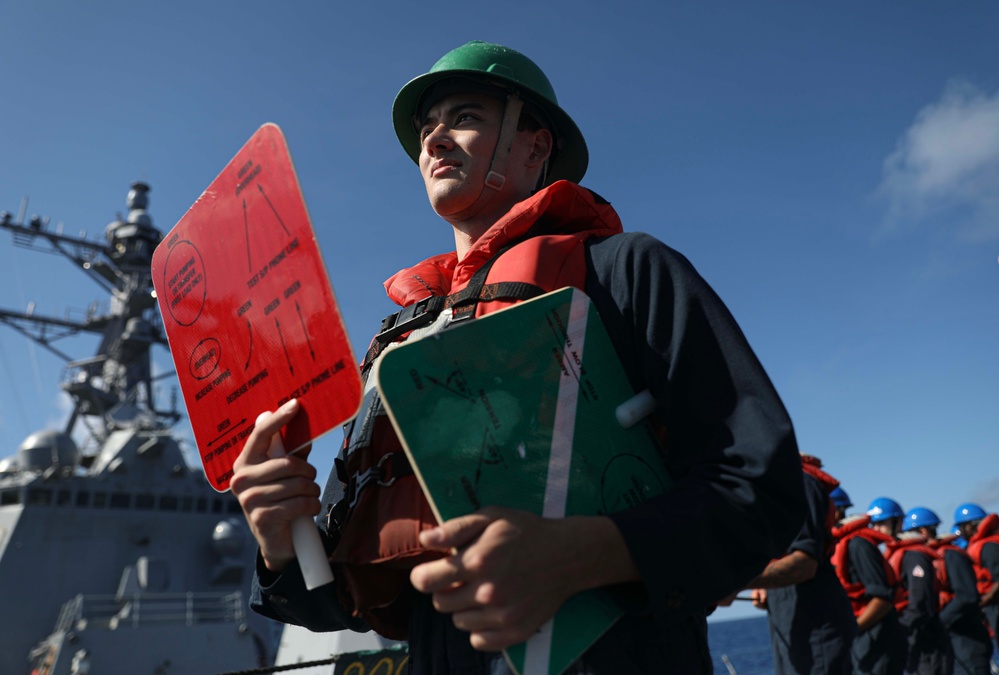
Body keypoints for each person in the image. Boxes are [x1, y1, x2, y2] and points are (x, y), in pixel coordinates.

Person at [230, 40, 806, 673]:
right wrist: (282, 543)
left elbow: (762, 490)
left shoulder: (625, 273)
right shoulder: (399, 345)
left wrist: (583, 553)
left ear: (538, 146)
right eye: (426, 129)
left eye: (465, 117)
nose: (435, 141)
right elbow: (343, 603)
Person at [731, 455, 855, 674]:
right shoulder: (773, 491)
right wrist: (764, 584)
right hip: (789, 618)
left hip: (815, 620)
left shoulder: (799, 483)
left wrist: (735, 580)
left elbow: (804, 563)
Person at [909, 506, 993, 674]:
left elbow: (967, 595)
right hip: (944, 642)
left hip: (966, 639)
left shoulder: (950, 555)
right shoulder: (926, 559)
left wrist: (939, 623)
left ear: (923, 530)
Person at [830, 496, 907, 674]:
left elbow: (882, 598)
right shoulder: (840, 546)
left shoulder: (858, 545)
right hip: (864, 641)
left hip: (877, 641)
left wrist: (852, 629)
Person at [889, 508, 953, 674]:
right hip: (922, 636)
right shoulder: (915, 554)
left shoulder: (914, 556)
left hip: (925, 638)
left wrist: (899, 628)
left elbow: (920, 602)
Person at [955, 503, 999, 659]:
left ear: (970, 526)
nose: (960, 532)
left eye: (961, 527)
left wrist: (980, 603)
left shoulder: (988, 547)